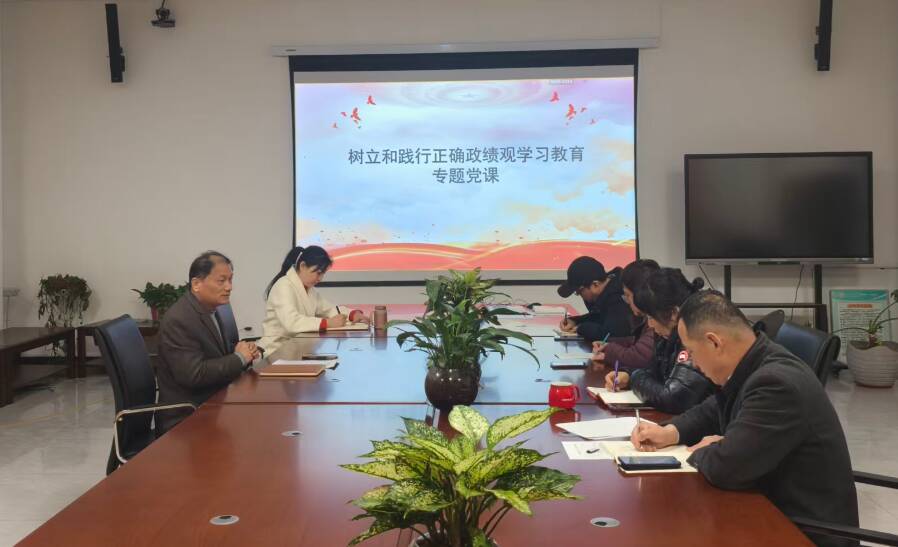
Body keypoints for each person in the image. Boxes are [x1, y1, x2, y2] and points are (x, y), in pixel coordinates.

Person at [631, 291, 858, 547]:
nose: (691, 362)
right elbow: (713, 408)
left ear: (714, 342)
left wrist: (707, 450)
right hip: (767, 509)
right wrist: (671, 432)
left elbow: (727, 468)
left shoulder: (776, 384)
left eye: (691, 351)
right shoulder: (756, 360)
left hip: (801, 532)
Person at [156, 251, 260, 434]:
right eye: (221, 281)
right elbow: (194, 374)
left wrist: (242, 351)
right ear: (196, 284)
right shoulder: (180, 319)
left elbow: (216, 351)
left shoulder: (213, 308)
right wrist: (239, 358)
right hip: (188, 416)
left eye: (230, 280)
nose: (229, 287)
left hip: (214, 401)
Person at [603, 267, 713, 414]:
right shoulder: (667, 333)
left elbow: (674, 398)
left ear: (673, 313)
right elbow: (654, 371)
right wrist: (628, 375)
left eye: (651, 317)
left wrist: (634, 378)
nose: (650, 324)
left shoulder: (696, 334)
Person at [259, 246, 368, 354]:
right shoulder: (283, 286)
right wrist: (327, 323)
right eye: (318, 273)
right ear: (302, 266)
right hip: (276, 350)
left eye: (323, 274)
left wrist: (353, 314)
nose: (320, 279)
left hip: (296, 347)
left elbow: (329, 309)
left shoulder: (310, 290)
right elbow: (292, 322)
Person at [591, 258, 660, 371]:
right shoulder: (648, 317)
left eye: (628, 295)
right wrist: (609, 344)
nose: (627, 301)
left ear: (641, 294)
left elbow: (637, 357)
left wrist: (609, 349)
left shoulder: (659, 320)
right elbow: (638, 342)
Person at [557, 256, 633, 342]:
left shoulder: (619, 296)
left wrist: (580, 328)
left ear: (595, 284)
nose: (579, 295)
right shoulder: (608, 288)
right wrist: (575, 321)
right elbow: (599, 316)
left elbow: (608, 335)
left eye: (579, 291)